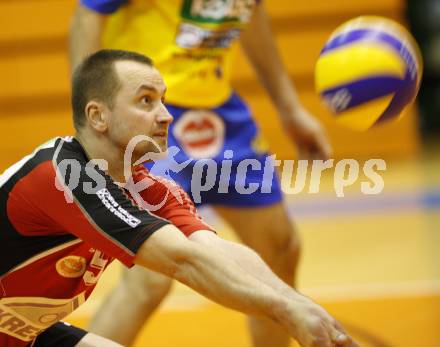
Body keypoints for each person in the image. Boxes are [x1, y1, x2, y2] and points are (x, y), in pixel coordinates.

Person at [0, 49, 356, 347]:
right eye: (146, 101)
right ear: (98, 116)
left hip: (22, 331)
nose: (166, 115)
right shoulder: (62, 176)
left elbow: (210, 249)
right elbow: (184, 262)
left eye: (164, 100)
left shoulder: (143, 185)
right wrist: (284, 311)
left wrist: (300, 303)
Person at [69, 2, 333, 346]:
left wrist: (289, 107)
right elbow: (87, 15)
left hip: (221, 111)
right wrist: (91, 125)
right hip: (148, 112)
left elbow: (250, 13)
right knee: (149, 279)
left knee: (280, 248)